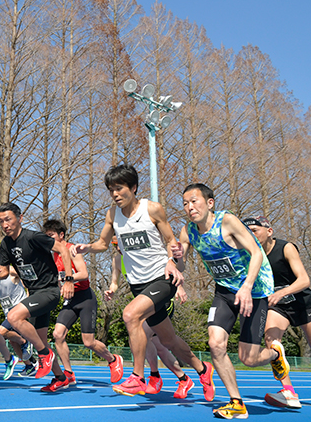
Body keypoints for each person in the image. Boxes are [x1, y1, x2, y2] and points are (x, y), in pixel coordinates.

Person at [73, 165, 214, 401]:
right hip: (138, 284)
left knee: (130, 315)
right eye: (111, 190)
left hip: (161, 277)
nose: (115, 194)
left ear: (134, 188)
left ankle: (138, 377)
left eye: (119, 189)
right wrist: (87, 247)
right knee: (168, 340)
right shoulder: (112, 214)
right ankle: (203, 369)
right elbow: (102, 243)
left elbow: (171, 241)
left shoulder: (153, 209)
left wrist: (172, 260)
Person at [173, 184, 290, 419]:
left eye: (194, 201)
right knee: (215, 344)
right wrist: (176, 263)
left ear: (210, 203)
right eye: (185, 203)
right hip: (225, 291)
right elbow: (181, 263)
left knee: (249, 358)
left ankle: (275, 354)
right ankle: (236, 402)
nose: (189, 207)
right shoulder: (188, 231)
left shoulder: (227, 222)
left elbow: (257, 253)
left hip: (254, 290)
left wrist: (247, 286)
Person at [243, 216, 311, 409]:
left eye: (255, 230)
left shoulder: (286, 248)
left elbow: (304, 280)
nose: (252, 235)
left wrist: (282, 291)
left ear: (269, 231)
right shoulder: (250, 255)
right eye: (248, 232)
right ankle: (289, 391)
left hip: (302, 303)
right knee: (272, 342)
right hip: (278, 306)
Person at [0, 202, 74, 392]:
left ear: (20, 219)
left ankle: (44, 355)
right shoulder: (6, 244)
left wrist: (68, 280)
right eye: (1, 221)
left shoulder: (33, 237)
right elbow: (3, 271)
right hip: (35, 294)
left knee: (13, 316)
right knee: (41, 339)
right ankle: (60, 377)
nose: (5, 225)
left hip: (49, 291)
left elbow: (62, 248)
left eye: (9, 220)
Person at [42, 219, 123, 390]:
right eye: (46, 237)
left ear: (61, 235)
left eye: (51, 236)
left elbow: (84, 274)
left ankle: (113, 359)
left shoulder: (71, 250)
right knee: (58, 334)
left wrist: (65, 279)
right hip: (69, 300)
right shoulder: (53, 254)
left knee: (88, 342)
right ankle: (69, 374)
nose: (49, 240)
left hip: (85, 298)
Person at [106, 239, 190, 397]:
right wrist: (111, 290)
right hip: (143, 304)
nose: (118, 248)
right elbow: (114, 282)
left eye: (120, 244)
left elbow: (165, 269)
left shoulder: (144, 253)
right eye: (115, 246)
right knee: (159, 347)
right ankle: (183, 378)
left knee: (142, 335)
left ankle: (152, 376)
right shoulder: (117, 261)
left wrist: (179, 287)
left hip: (162, 301)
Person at [0, 269, 38, 377]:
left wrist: (29, 295)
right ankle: (29, 366)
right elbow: (1, 296)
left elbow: (29, 276)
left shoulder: (11, 271)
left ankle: (25, 342)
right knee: (13, 341)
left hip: (19, 309)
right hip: (8, 312)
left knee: (1, 331)